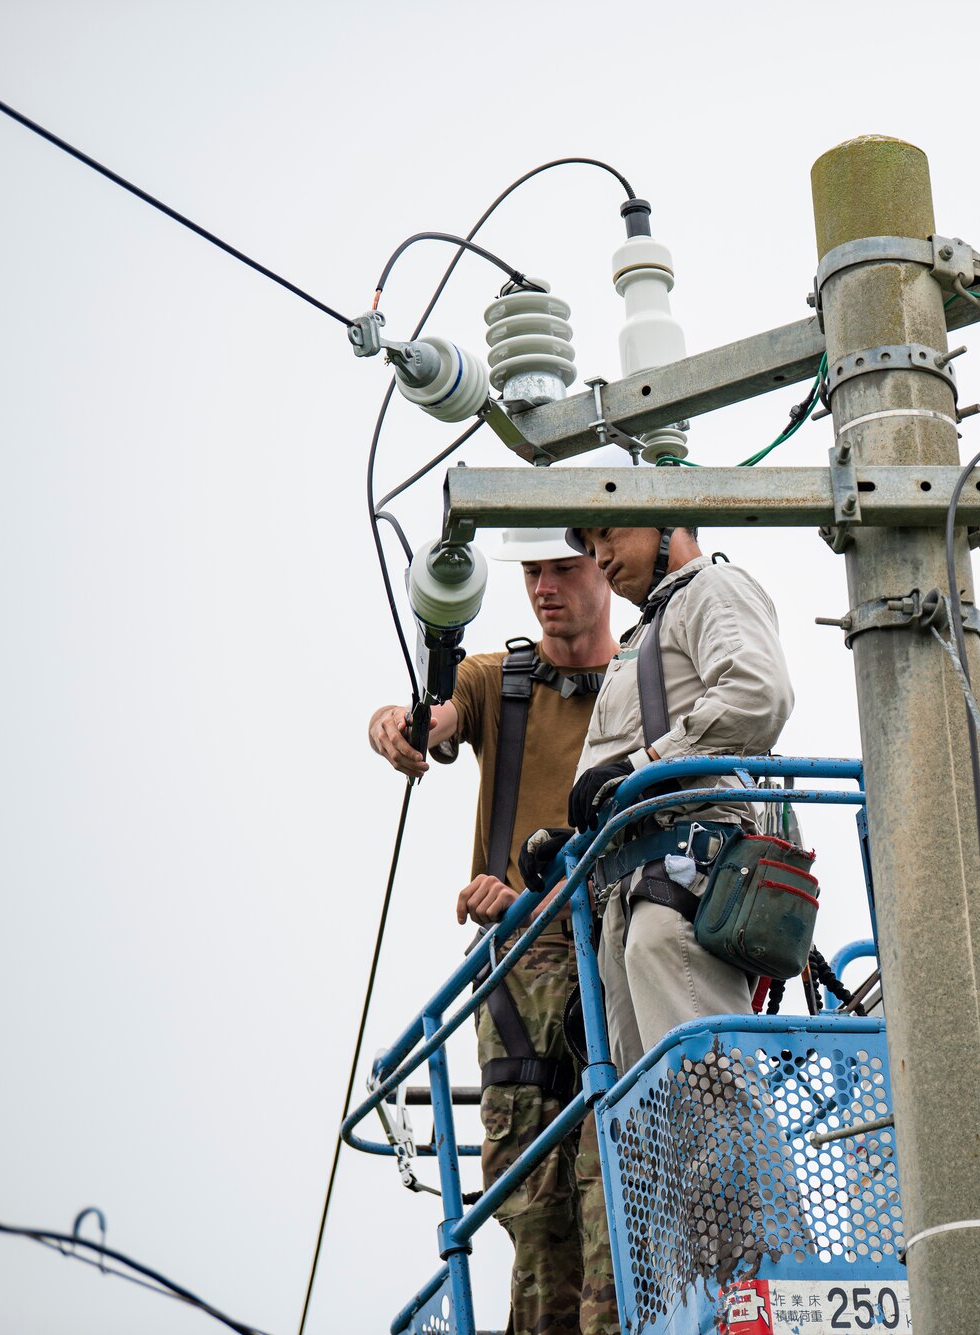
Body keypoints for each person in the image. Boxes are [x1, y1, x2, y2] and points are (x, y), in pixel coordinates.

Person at [366, 528, 619, 1335]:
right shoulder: (498, 681)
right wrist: (397, 727)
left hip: (619, 953)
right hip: (524, 976)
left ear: (605, 564)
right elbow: (432, 716)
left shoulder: (645, 678)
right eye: (532, 570)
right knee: (533, 1196)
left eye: (563, 568)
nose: (544, 586)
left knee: (616, 1176)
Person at [558, 523, 794, 1282]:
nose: (597, 556)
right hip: (629, 890)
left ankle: (762, 1270)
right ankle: (688, 1290)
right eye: (587, 541)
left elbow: (759, 694)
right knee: (648, 1115)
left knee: (707, 1085)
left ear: (669, 523)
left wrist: (643, 764)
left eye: (608, 533)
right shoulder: (639, 640)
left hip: (685, 870)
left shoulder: (713, 590)